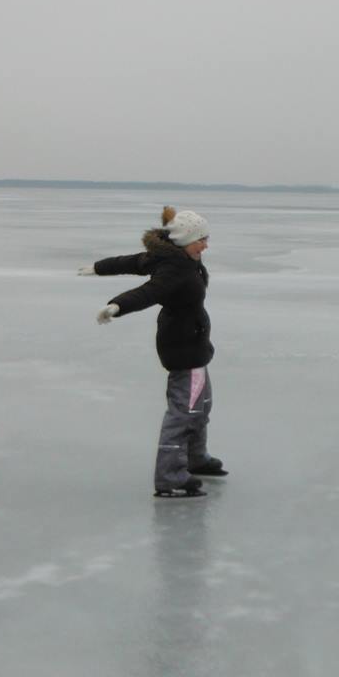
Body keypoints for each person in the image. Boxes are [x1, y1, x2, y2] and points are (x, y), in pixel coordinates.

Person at [78, 206, 227, 498]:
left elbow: (132, 261)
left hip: (193, 346)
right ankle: (170, 476)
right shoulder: (175, 268)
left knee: (200, 405)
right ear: (186, 240)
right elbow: (149, 291)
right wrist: (117, 305)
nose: (206, 245)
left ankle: (195, 459)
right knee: (184, 412)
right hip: (184, 349)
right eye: (202, 239)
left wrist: (98, 267)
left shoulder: (180, 256)